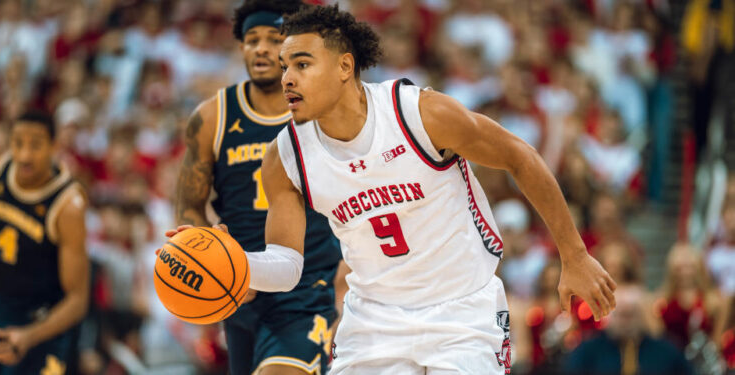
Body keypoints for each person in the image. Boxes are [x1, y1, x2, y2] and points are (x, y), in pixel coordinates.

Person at [170, 4, 616, 374]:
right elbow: (288, 265)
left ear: (345, 66)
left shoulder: (418, 113)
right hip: (375, 319)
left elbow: (520, 156)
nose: (287, 78)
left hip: (463, 310)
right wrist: (238, 263)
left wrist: (573, 254)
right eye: (286, 67)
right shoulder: (285, 156)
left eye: (302, 64)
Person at [173, 1, 342, 374]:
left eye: (273, 38)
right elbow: (189, 206)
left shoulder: (319, 113)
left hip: (307, 287)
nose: (262, 48)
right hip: (240, 286)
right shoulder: (212, 117)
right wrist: (214, 261)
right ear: (242, 48)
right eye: (252, 40)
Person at [0, 110, 89, 374]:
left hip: (39, 328)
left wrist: (30, 336)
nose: (24, 155)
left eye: (35, 145)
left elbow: (78, 300)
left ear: (54, 146)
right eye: (18, 143)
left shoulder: (68, 208)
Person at [564, 284, 692, 375]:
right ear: (609, 316)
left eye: (631, 314)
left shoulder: (667, 352)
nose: (625, 322)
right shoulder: (587, 352)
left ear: (641, 317)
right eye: (621, 315)